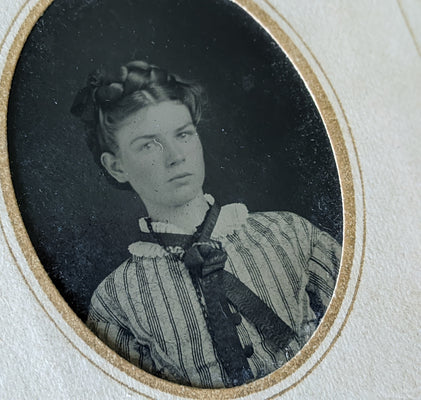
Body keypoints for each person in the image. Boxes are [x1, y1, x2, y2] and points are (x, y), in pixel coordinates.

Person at [70, 60, 341, 388]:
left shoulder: (288, 233)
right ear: (116, 167)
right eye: (148, 144)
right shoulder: (117, 301)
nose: (175, 155)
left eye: (183, 134)